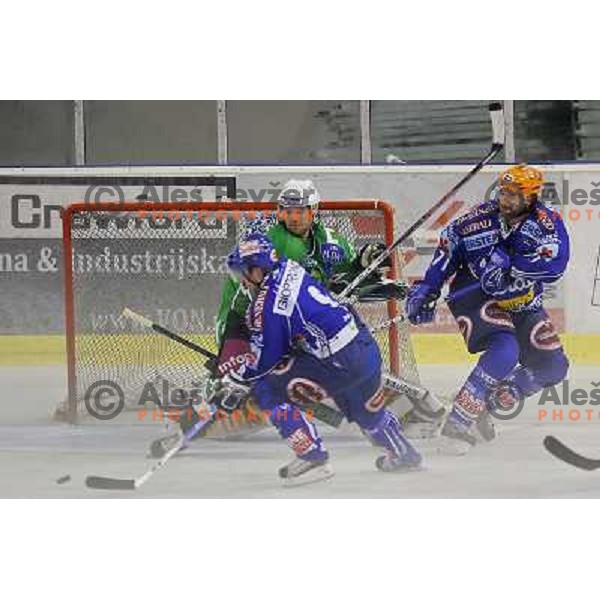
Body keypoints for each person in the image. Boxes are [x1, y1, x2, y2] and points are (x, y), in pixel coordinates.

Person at [210, 233, 422, 486]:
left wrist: (237, 379)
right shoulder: (290, 267)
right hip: (365, 351)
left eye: (243, 273)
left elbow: (268, 358)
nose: (242, 281)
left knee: (267, 387)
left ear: (257, 270)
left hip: (339, 364)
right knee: (367, 414)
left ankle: (313, 457)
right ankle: (404, 454)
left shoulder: (271, 303)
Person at [405, 164, 570, 448]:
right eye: (503, 192)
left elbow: (555, 265)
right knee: (505, 349)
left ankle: (481, 405)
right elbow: (449, 248)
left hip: (522, 303)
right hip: (475, 296)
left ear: (530, 197)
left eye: (513, 195)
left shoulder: (546, 224)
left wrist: (515, 267)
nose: (504, 199)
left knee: (553, 366)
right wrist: (428, 287)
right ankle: (457, 424)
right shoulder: (477, 220)